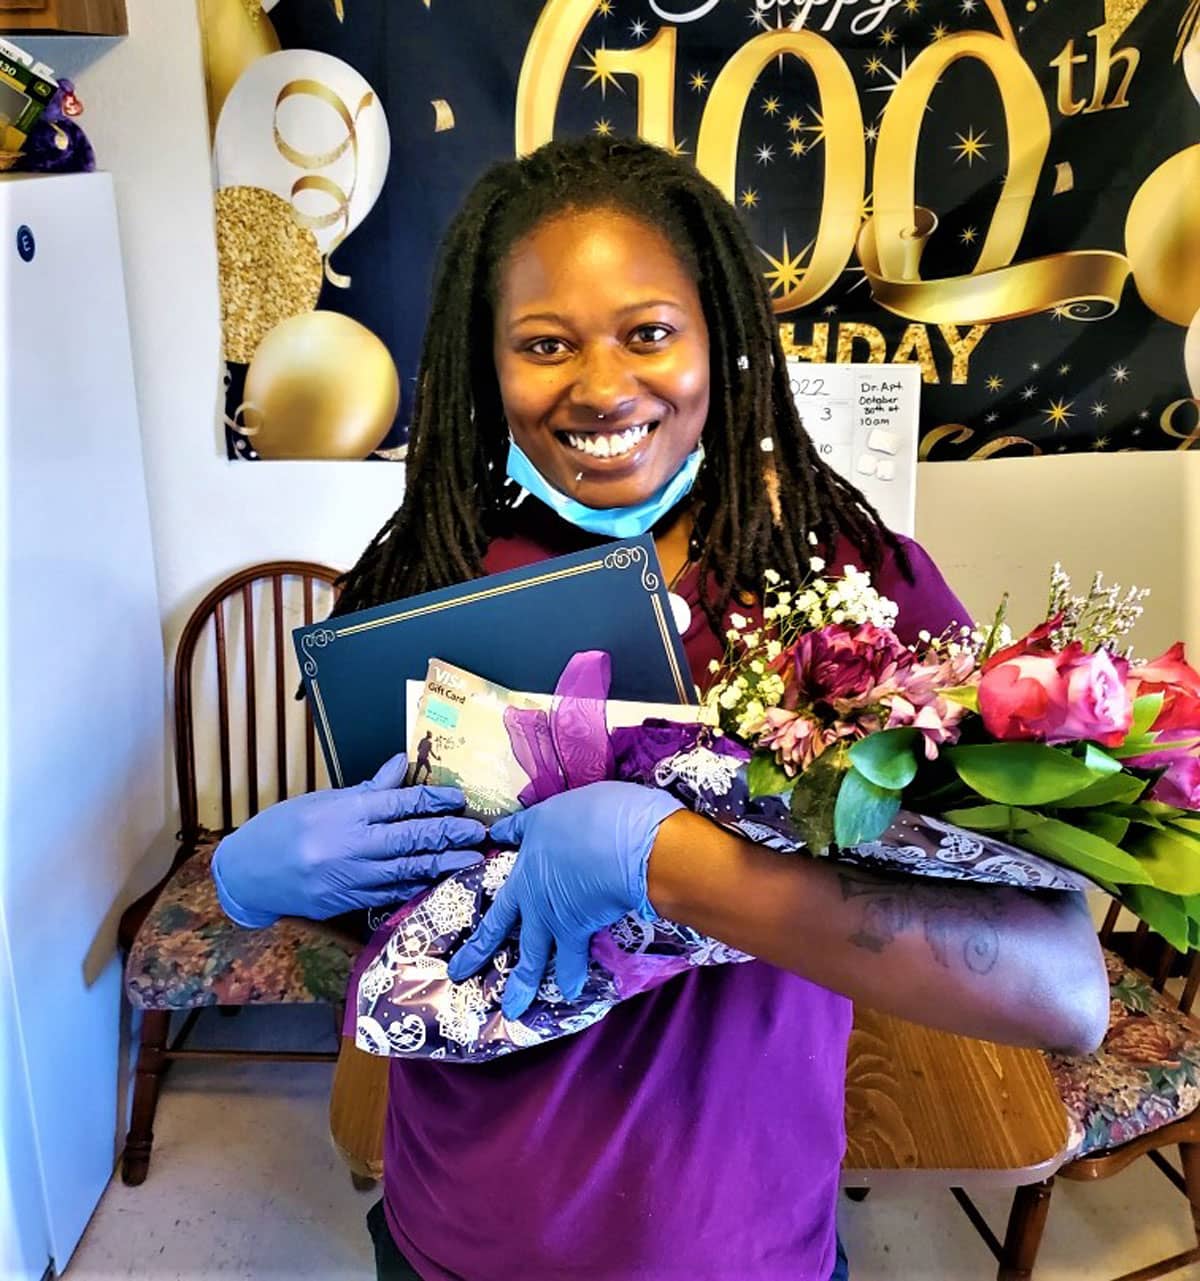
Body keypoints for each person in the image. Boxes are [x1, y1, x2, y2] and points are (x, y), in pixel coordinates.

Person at [211, 136, 1109, 1281]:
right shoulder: (429, 574)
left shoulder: (855, 592)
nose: (599, 386)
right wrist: (263, 880)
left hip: (735, 1246)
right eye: (543, 345)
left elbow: (1060, 992)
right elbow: (410, 923)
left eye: (648, 332)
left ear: (719, 337)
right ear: (486, 366)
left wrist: (666, 860)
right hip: (453, 1234)